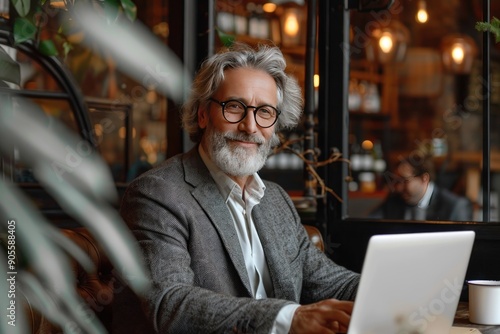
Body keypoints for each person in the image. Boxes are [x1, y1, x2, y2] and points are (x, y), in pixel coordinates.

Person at [115, 43, 360, 333]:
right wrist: (288, 319)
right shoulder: (157, 194)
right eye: (234, 107)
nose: (250, 126)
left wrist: (400, 291)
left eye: (265, 112)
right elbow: (170, 304)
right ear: (203, 114)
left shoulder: (275, 200)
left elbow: (331, 282)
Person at [370, 154, 473, 221]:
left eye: (404, 181)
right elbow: (371, 223)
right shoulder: (394, 198)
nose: (398, 188)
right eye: (396, 181)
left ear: (424, 178)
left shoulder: (455, 206)